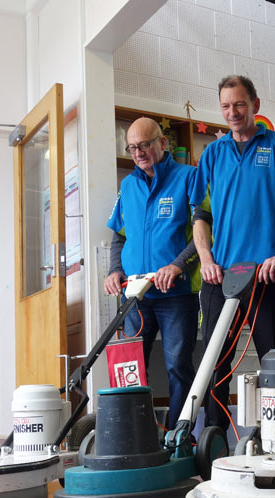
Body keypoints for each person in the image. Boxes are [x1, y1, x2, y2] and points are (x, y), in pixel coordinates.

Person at [191, 75, 275, 433]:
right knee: (214, 363)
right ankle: (213, 439)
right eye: (226, 106)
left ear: (255, 105)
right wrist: (206, 260)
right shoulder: (212, 154)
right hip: (221, 277)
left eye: (240, 104)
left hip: (269, 275)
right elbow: (200, 216)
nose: (233, 112)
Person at [105, 117, 200, 430]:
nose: (138, 152)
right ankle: (135, 435)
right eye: (132, 147)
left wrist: (177, 264)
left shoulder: (189, 177)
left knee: (178, 368)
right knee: (131, 367)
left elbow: (202, 234)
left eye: (144, 145)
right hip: (135, 295)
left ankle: (178, 436)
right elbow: (119, 236)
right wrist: (115, 270)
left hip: (177, 295)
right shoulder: (127, 185)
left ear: (163, 143)